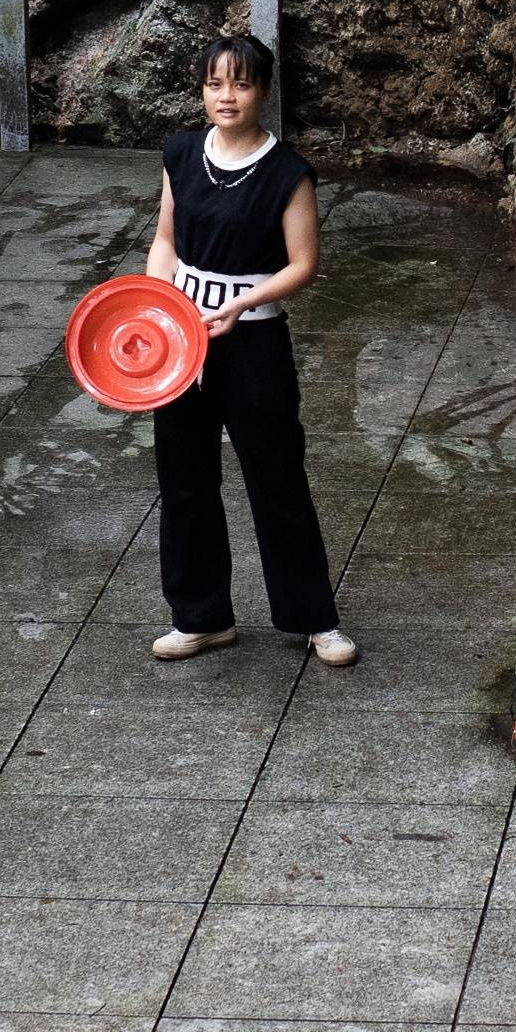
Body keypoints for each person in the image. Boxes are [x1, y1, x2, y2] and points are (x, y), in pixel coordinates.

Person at [144, 33, 357, 667]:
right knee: (183, 479)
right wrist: (160, 309)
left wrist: (236, 306)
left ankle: (315, 619)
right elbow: (164, 241)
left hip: (254, 336)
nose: (225, 95)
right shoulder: (181, 154)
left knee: (277, 476)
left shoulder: (287, 172)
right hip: (182, 339)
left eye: (239, 83)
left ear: (262, 90)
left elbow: (304, 265)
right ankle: (201, 617)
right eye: (214, 83)